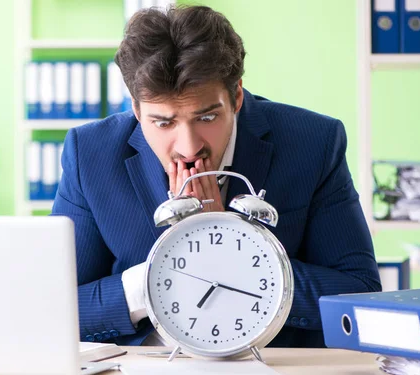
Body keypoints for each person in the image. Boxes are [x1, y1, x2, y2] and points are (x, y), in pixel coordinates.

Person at [51, 5, 381, 347]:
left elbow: (360, 296)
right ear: (136, 110)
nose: (189, 147)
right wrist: (159, 276)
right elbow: (55, 308)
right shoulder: (90, 154)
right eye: (163, 123)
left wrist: (231, 243)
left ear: (236, 96)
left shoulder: (312, 143)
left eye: (206, 118)